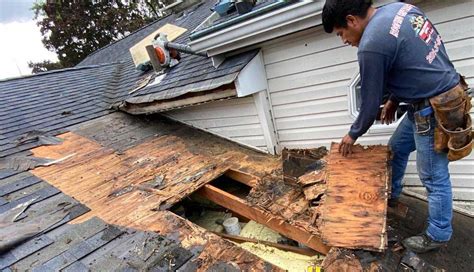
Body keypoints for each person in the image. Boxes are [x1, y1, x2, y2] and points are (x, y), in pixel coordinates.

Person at [322, 0, 472, 253]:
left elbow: (369, 106)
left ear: (351, 20)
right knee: (398, 149)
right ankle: (391, 195)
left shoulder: (371, 45)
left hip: (433, 109)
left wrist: (352, 134)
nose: (343, 40)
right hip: (435, 97)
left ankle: (438, 235)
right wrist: (393, 99)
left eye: (341, 33)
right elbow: (412, 60)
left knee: (434, 178)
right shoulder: (400, 9)